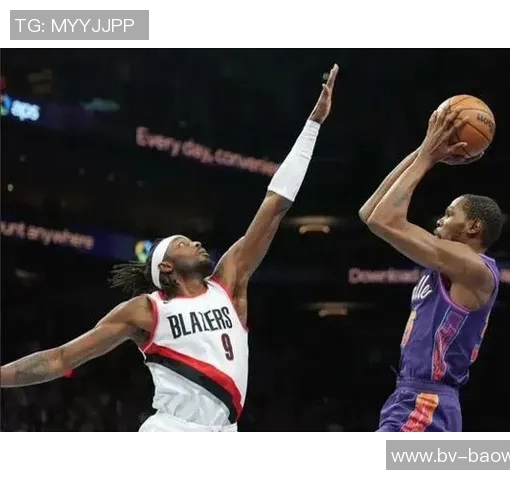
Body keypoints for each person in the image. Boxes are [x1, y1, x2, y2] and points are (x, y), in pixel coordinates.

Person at [0, 64, 339, 432]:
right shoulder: (147, 310)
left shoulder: (228, 283)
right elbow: (62, 358)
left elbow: (275, 204)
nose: (196, 242)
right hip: (171, 432)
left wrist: (313, 125)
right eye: (183, 243)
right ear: (166, 268)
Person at [359, 108, 503, 432]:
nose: (440, 219)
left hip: (427, 402)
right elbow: (370, 212)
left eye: (450, 214)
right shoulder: (447, 262)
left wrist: (428, 157)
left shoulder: (474, 269)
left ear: (474, 226)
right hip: (412, 397)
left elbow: (383, 219)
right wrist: (426, 148)